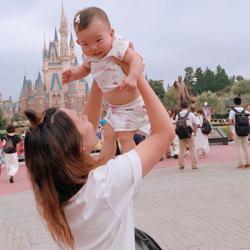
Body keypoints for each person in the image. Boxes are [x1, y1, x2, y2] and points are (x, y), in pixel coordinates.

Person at [24, 71, 175, 250]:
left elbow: (87, 135)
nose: (87, 117)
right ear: (78, 145)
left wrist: (98, 72)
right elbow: (164, 133)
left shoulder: (52, 195)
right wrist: (137, 75)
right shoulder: (105, 186)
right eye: (81, 118)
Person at [62, 7, 150, 163]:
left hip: (132, 105)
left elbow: (136, 60)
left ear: (111, 34)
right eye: (85, 44)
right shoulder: (90, 56)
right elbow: (86, 68)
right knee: (108, 134)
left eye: (98, 40)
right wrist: (74, 74)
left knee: (124, 136)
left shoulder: (117, 48)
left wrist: (132, 77)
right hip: (114, 107)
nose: (93, 48)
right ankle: (105, 164)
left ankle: (132, 166)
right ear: (78, 43)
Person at [176, 101, 198, 169]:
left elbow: (176, 125)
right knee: (192, 149)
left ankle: (181, 165)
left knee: (181, 150)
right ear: (187, 106)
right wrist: (195, 133)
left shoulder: (178, 115)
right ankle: (194, 165)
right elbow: (195, 124)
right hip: (189, 134)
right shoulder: (191, 114)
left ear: (181, 107)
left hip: (181, 135)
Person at [228, 97, 250, 168]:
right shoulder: (245, 110)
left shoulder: (232, 111)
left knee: (239, 147)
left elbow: (230, 121)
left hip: (236, 131)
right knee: (246, 146)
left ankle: (241, 163)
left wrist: (233, 126)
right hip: (246, 130)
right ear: (241, 102)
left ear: (234, 103)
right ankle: (248, 162)